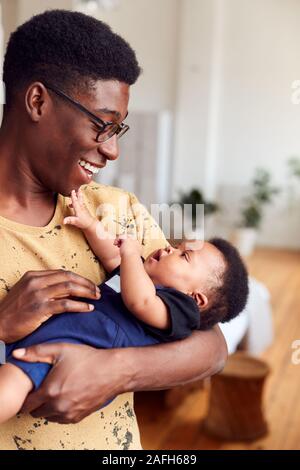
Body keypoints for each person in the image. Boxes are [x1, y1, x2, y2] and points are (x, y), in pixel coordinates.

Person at [0, 10, 227, 450]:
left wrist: (113, 372)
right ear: (37, 102)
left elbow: (211, 345)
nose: (113, 150)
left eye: (118, 129)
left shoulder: (116, 211)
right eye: (102, 124)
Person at [0, 189, 249, 425]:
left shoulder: (181, 309)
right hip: (53, 331)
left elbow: (141, 302)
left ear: (196, 298)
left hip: (76, 354)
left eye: (184, 256)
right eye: (179, 246)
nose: (170, 248)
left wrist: (131, 255)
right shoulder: (138, 274)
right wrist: (90, 224)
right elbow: (112, 256)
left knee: (13, 382)